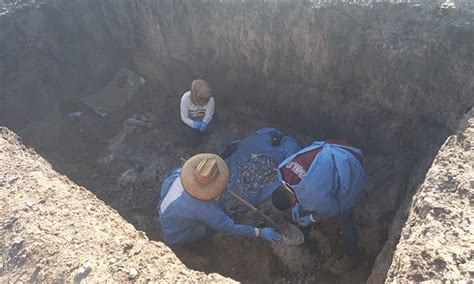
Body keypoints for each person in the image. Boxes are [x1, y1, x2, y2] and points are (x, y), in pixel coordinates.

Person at [271, 140, 367, 274]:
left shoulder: (311, 196)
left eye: (294, 203)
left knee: (345, 212)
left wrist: (312, 218)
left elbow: (334, 208)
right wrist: (299, 205)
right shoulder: (283, 169)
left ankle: (353, 253)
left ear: (292, 200)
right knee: (316, 200)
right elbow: (300, 189)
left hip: (349, 163)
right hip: (335, 146)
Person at [158, 153, 282, 246]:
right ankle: (201, 246)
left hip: (163, 212)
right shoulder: (204, 207)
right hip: (176, 235)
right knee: (207, 229)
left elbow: (164, 192)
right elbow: (228, 228)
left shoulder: (178, 173)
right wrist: (259, 232)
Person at [180, 79, 216, 148]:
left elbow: (209, 115)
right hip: (191, 121)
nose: (203, 101)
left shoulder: (210, 100)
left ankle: (206, 133)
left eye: (205, 98)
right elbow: (184, 117)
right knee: (193, 144)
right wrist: (193, 124)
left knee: (212, 129)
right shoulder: (185, 99)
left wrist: (205, 122)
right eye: (201, 98)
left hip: (204, 120)